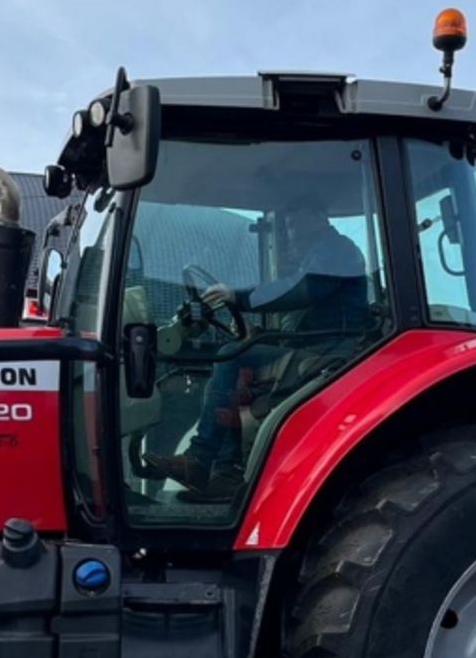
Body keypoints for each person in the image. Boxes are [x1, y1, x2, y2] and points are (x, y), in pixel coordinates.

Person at [146, 189, 370, 501]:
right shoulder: (318, 255)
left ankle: (199, 459)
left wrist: (240, 297)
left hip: (333, 352)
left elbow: (301, 291)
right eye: (286, 228)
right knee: (237, 367)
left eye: (295, 225)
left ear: (318, 218)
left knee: (231, 357)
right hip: (315, 345)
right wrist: (259, 333)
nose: (290, 235)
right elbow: (302, 307)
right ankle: (225, 476)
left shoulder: (335, 251)